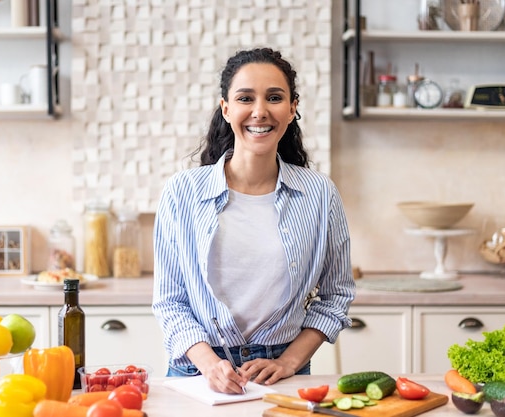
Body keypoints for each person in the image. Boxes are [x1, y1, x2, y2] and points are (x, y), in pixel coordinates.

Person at [152, 47, 355, 394]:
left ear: (292, 109)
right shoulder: (182, 191)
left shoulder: (320, 194)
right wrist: (209, 364)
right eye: (246, 98)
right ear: (226, 108)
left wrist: (289, 361)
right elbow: (170, 300)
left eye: (274, 97)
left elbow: (337, 295)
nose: (260, 112)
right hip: (197, 374)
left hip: (281, 375)